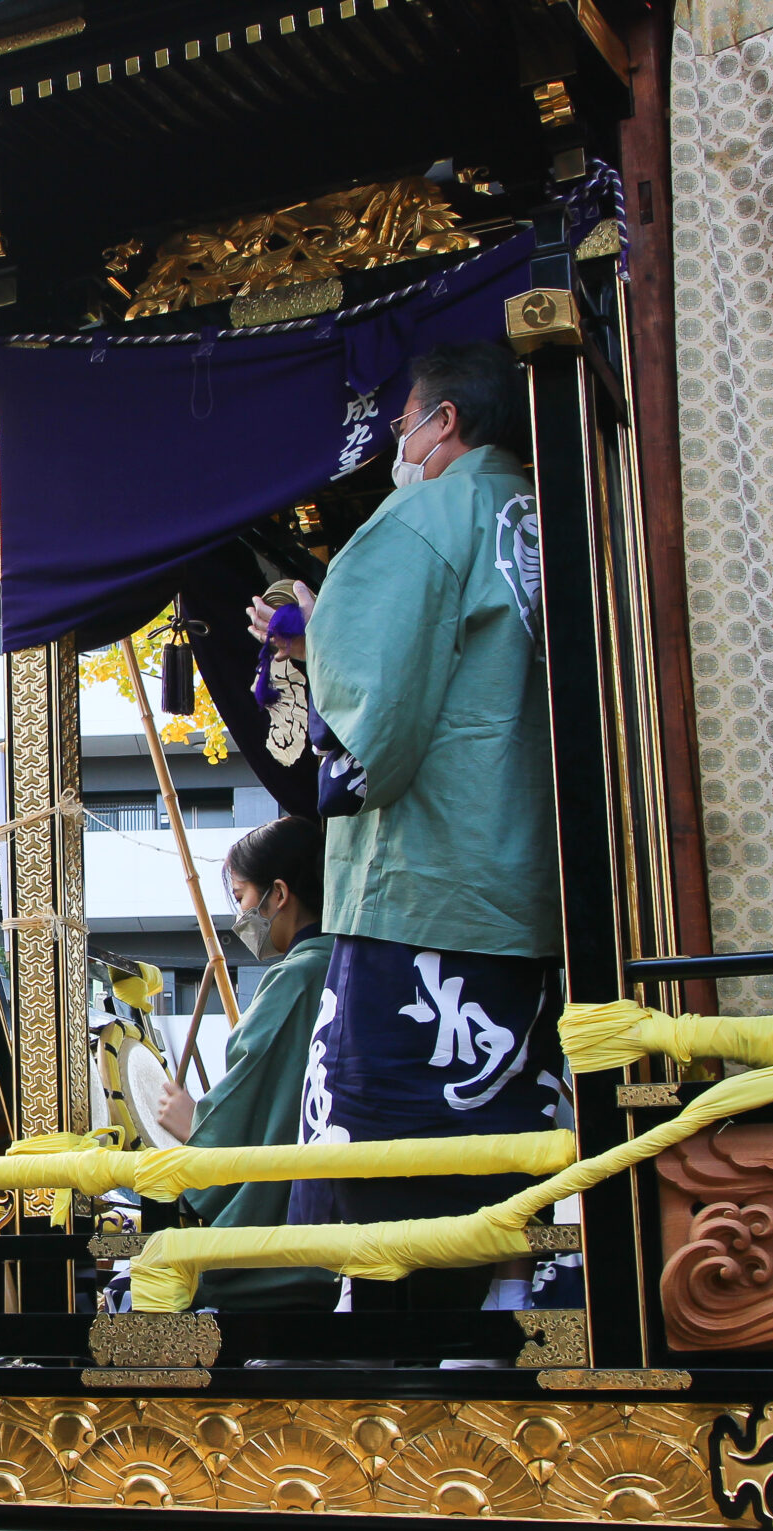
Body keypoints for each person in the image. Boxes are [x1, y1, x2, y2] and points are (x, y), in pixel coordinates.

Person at [286, 340, 561, 1313]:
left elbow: (370, 752)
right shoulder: (565, 509)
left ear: (444, 423)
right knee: (527, 1158)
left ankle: (400, 1368)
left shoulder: (421, 520)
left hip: (422, 897)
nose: (398, 436)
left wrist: (316, 643)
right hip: (540, 899)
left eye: (402, 420)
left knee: (387, 1199)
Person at [153, 817, 341, 1313]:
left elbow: (251, 1094)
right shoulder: (343, 965)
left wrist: (195, 1121)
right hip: (351, 1217)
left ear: (278, 894)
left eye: (241, 898)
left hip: (299, 1243)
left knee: (151, 1282)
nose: (240, 916)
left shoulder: (298, 978)